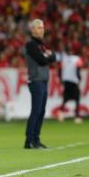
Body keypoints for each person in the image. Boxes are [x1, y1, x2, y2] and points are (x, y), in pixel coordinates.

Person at [24, 19, 56, 149]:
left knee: (41, 111)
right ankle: (29, 140)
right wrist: (48, 56)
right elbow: (42, 60)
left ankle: (36, 139)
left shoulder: (41, 44)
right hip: (36, 79)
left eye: (42, 27)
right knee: (36, 110)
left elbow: (54, 57)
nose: (42, 30)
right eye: (39, 28)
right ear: (33, 30)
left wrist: (48, 56)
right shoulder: (31, 45)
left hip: (43, 79)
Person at [56, 46, 83, 124]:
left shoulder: (64, 59)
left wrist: (60, 78)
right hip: (73, 81)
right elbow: (78, 69)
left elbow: (60, 69)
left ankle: (60, 113)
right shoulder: (77, 58)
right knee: (77, 98)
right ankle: (77, 116)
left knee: (65, 98)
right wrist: (79, 78)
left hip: (66, 81)